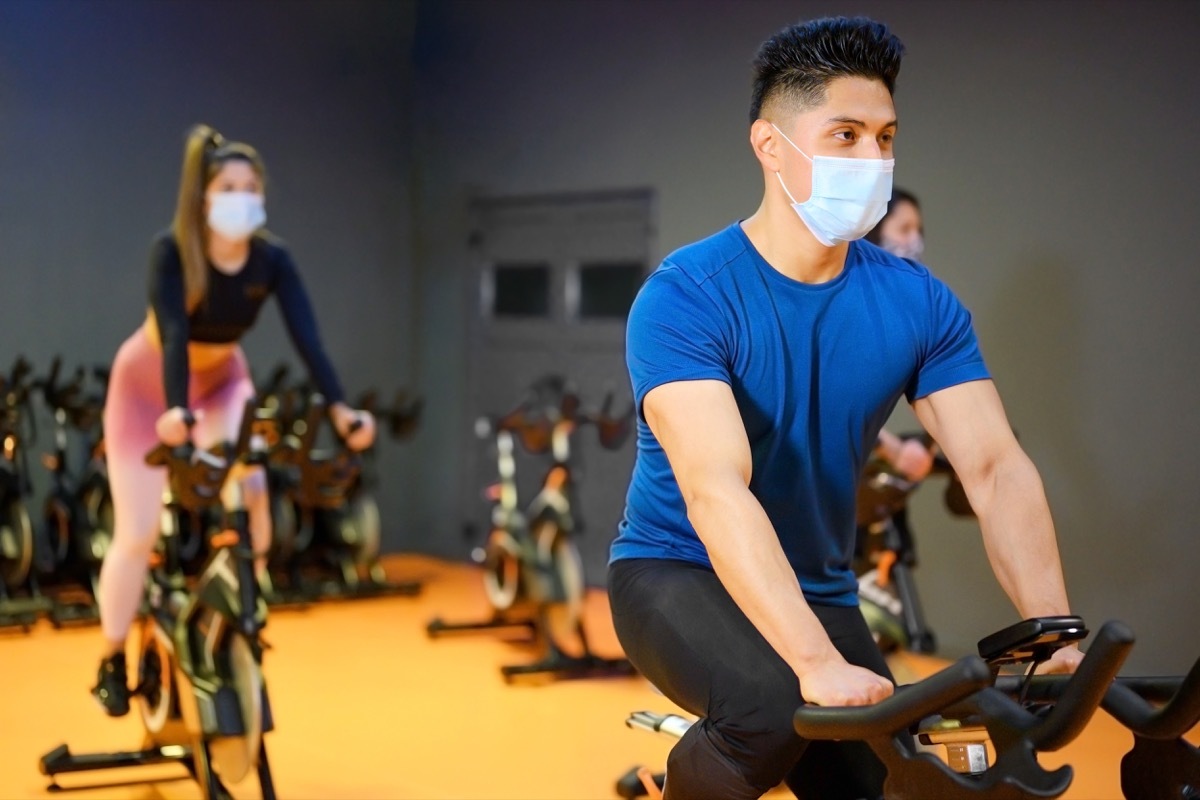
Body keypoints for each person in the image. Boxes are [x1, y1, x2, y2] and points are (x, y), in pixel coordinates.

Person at [608, 17, 1081, 800]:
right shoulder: (686, 294)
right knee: (769, 707)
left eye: (886, 137)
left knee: (888, 779)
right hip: (675, 572)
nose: (874, 161)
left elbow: (994, 468)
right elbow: (714, 490)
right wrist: (814, 661)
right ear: (770, 146)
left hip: (819, 587)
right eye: (847, 135)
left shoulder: (919, 304)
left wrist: (1051, 629)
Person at [92, 124, 376, 717]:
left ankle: (237, 605)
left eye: (252, 186)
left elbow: (308, 339)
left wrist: (342, 409)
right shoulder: (173, 251)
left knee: (251, 490)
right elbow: (173, 334)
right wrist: (174, 409)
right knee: (137, 531)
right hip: (147, 391)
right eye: (228, 185)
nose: (242, 196)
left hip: (223, 382)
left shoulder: (272, 259)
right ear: (204, 197)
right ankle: (112, 658)